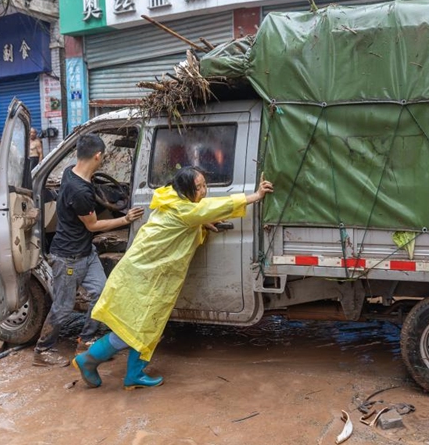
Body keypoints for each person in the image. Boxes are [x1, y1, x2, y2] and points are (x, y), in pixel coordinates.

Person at [72, 167, 273, 390]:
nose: (204, 191)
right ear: (185, 190)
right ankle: (90, 361)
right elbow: (215, 207)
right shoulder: (186, 211)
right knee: (134, 329)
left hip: (142, 271)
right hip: (145, 275)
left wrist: (201, 222)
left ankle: (132, 374)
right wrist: (256, 195)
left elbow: (194, 214)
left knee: (146, 325)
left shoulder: (169, 196)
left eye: (205, 184)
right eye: (199, 187)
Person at [33, 134, 144, 367]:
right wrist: (126, 219)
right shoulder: (80, 191)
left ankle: (86, 338)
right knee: (63, 307)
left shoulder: (71, 172)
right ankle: (42, 350)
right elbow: (93, 225)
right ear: (98, 156)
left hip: (86, 250)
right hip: (68, 257)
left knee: (102, 293)